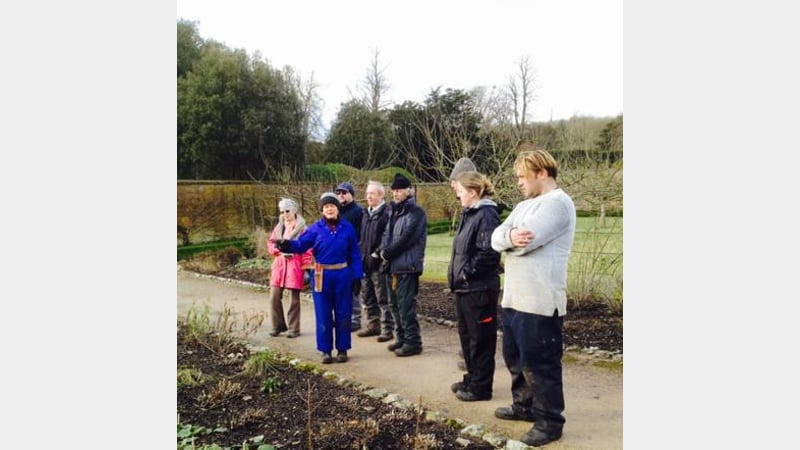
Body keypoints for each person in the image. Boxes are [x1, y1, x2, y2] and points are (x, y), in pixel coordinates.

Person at [490, 149, 576, 447]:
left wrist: (509, 241)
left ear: (541, 173)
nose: (518, 182)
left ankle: (550, 421)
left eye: (522, 176)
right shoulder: (526, 205)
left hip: (540, 300)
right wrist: (508, 239)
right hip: (514, 298)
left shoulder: (558, 204)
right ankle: (523, 405)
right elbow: (495, 237)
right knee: (515, 357)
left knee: (541, 362)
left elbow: (527, 242)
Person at [274, 192, 363, 364]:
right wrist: (287, 245)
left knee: (343, 313)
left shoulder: (347, 228)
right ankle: (326, 350)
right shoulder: (315, 229)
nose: (329, 209)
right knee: (323, 314)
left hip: (343, 275)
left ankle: (343, 349)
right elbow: (301, 245)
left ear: (338, 209)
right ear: (322, 210)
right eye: (326, 207)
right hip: (321, 276)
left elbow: (355, 253)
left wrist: (357, 276)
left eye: (332, 206)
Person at [447, 171, 501, 402]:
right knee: (467, 336)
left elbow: (488, 252)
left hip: (478, 288)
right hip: (465, 288)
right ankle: (472, 377)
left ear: (473, 192)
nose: (457, 195)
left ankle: (481, 387)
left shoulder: (486, 214)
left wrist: (467, 274)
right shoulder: (469, 214)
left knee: (481, 338)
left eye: (460, 191)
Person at [376, 173, 427, 357]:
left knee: (406, 306)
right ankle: (402, 338)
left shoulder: (416, 213)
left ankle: (413, 341)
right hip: (392, 266)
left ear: (409, 190)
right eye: (394, 191)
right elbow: (386, 235)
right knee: (394, 305)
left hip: (407, 266)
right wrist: (382, 250)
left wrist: (388, 252)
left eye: (399, 190)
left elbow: (408, 238)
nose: (396, 194)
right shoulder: (392, 212)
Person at [266, 198, 313, 338]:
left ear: (294, 210)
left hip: (295, 265)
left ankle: (294, 329)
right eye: (282, 211)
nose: (285, 214)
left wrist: (305, 267)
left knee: (294, 299)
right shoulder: (279, 227)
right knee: (274, 296)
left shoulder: (303, 228)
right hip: (280, 265)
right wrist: (277, 251)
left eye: (287, 211)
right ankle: (278, 326)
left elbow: (308, 249)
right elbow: (271, 242)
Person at [356, 180, 394, 341]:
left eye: (371, 193)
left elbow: (387, 238)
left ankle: (387, 328)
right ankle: (373, 325)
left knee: (383, 297)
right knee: (368, 295)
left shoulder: (387, 213)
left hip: (379, 264)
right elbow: (362, 238)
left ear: (380, 194)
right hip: (364, 262)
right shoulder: (365, 214)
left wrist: (376, 254)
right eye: (367, 194)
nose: (368, 196)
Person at [335, 182, 365, 332]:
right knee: (342, 289)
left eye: (344, 193)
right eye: (338, 193)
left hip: (353, 255)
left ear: (351, 194)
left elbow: (362, 235)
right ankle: (344, 318)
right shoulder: (336, 212)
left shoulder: (359, 212)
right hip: (338, 256)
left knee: (354, 288)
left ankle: (355, 319)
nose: (341, 195)